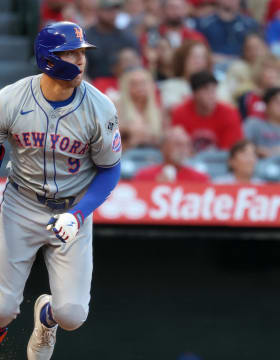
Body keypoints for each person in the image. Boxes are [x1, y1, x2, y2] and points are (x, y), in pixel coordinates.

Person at [0, 22, 122, 359]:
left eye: (82, 52)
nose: (80, 59)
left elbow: (111, 170)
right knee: (1, 308)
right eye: (70, 52)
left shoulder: (100, 108)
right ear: (48, 58)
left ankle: (46, 318)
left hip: (72, 208)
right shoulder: (10, 99)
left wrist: (78, 214)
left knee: (72, 316)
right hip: (21, 203)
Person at [171, 70, 244, 152]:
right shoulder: (180, 113)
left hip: (220, 162)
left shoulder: (229, 114)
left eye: (213, 90)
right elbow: (178, 147)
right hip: (189, 160)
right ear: (195, 93)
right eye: (206, 91)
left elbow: (230, 150)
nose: (211, 96)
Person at [85, 0, 139, 79]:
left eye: (115, 9)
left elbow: (137, 67)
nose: (113, 13)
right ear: (97, 11)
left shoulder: (127, 37)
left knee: (128, 55)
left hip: (122, 84)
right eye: (108, 9)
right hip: (94, 84)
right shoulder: (86, 37)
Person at [133, 126, 209, 182]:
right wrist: (155, 186)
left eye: (187, 145)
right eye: (178, 144)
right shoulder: (144, 176)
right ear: (163, 148)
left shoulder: (200, 179)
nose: (183, 149)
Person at [115, 67, 163, 149]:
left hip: (154, 155)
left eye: (143, 83)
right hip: (126, 154)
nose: (140, 87)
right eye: (134, 84)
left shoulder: (158, 110)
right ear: (126, 87)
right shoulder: (116, 107)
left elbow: (162, 137)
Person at [159, 40, 212, 110]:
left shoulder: (215, 86)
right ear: (183, 60)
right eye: (194, 57)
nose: (198, 62)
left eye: (203, 57)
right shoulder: (170, 86)